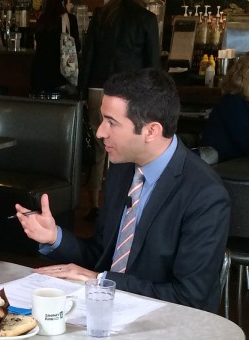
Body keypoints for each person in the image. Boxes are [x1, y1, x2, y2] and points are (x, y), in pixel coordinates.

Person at [14, 67, 230, 340]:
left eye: (111, 122)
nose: (99, 132)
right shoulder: (121, 171)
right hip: (110, 307)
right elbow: (99, 256)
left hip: (166, 324)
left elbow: (191, 299)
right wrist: (54, 239)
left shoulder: (204, 194)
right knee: (37, 330)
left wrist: (101, 282)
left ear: (151, 130)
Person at [78, 0, 160, 220]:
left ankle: (94, 204)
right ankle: (122, 206)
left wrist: (81, 92)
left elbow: (88, 56)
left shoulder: (102, 15)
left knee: (100, 148)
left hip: (98, 88)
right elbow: (152, 64)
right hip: (129, 93)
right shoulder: (146, 18)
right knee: (129, 149)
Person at [30, 0, 80, 96]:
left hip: (38, 78)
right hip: (60, 80)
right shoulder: (70, 19)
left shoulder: (42, 19)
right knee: (74, 93)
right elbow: (76, 47)